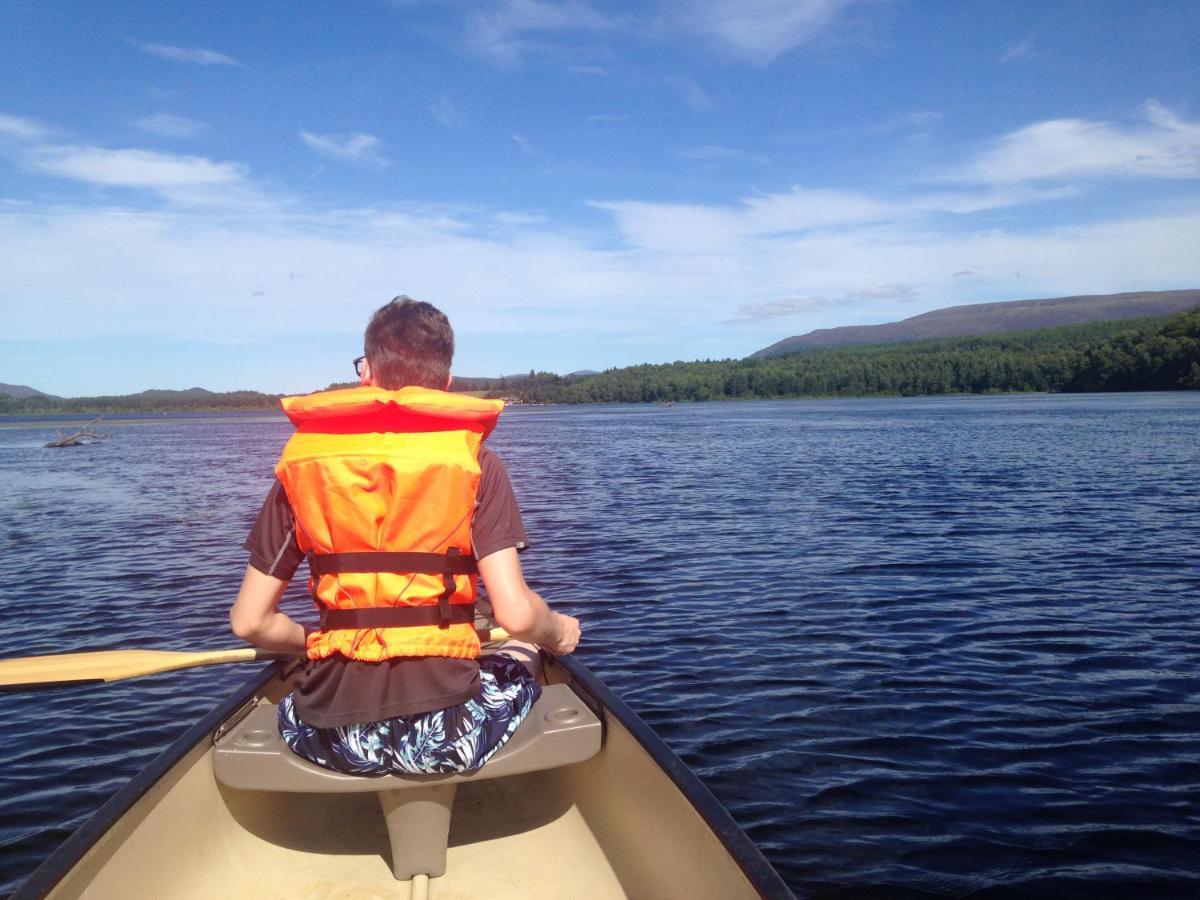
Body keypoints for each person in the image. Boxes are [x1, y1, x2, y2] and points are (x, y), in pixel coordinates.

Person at [229, 296, 580, 775]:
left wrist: (318, 640)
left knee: (305, 683)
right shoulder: (477, 464)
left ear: (366, 372)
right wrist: (557, 630)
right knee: (527, 646)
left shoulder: (302, 468)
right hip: (450, 731)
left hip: (331, 736)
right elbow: (516, 614)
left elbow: (250, 622)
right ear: (447, 383)